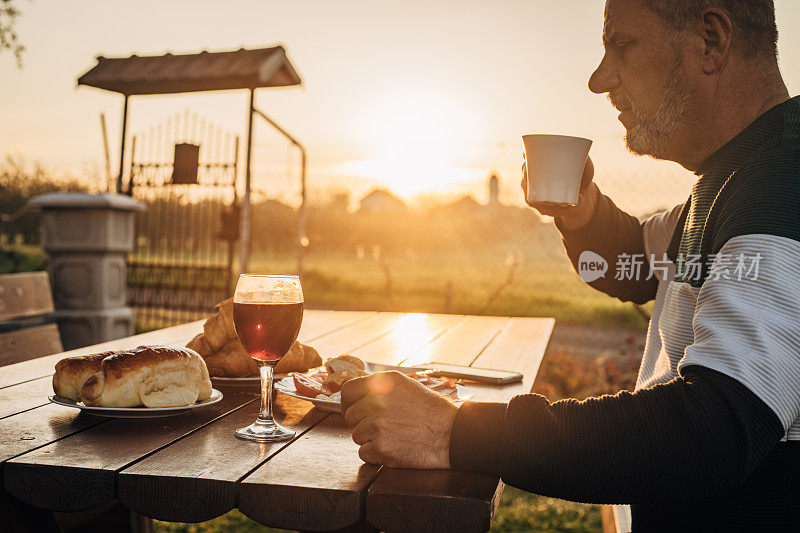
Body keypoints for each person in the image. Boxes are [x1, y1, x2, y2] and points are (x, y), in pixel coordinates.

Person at [341, 0, 800, 530]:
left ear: (711, 41)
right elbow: (628, 264)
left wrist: (454, 432)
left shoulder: (781, 182)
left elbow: (713, 432)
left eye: (621, 45)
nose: (598, 80)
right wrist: (582, 214)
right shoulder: (734, 179)